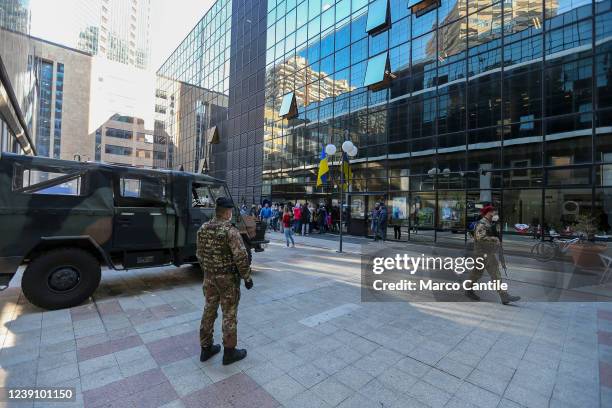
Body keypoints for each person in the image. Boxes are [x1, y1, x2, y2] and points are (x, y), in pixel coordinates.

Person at [197, 197, 253, 365]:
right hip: (227, 280)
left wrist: (208, 270)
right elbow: (241, 257)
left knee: (209, 310)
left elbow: (199, 254)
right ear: (228, 212)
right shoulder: (230, 231)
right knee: (229, 313)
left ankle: (205, 349)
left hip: (209, 277)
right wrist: (247, 278)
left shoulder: (203, 228)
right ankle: (229, 352)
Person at [465, 205, 520, 305]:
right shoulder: (482, 224)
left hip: (488, 253)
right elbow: (480, 238)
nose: (496, 214)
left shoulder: (491, 224)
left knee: (492, 274)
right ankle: (469, 290)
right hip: (481, 253)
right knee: (479, 273)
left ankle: (504, 296)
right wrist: (494, 239)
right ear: (488, 212)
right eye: (494, 212)